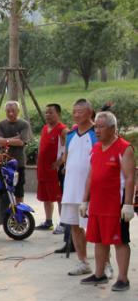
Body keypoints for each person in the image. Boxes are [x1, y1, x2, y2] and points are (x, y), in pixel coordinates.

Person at [79, 111, 134, 291]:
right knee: (98, 239)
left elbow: (131, 177)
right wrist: (84, 201)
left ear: (112, 128)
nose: (97, 130)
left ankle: (123, 279)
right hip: (97, 204)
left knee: (119, 241)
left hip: (115, 205)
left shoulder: (124, 148)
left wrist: (128, 204)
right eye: (96, 126)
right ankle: (100, 273)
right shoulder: (95, 148)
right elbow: (90, 176)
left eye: (101, 127)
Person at [60, 99, 98, 276]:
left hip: (91, 190)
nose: (75, 115)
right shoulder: (70, 135)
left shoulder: (96, 134)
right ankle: (83, 261)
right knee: (75, 226)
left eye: (80, 112)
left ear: (89, 112)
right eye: (74, 111)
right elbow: (67, 159)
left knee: (95, 227)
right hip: (71, 188)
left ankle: (104, 263)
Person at [36, 104, 67, 231]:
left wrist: (60, 162)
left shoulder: (63, 130)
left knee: (59, 197)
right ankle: (48, 222)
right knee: (46, 196)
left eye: (51, 113)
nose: (48, 115)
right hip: (43, 169)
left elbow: (69, 148)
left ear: (58, 114)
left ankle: (64, 223)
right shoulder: (44, 128)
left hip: (55, 171)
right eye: (46, 112)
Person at [0, 101, 31, 204]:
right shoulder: (0, 125)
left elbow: (21, 142)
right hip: (3, 163)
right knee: (3, 190)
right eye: (8, 111)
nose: (11, 113)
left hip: (19, 163)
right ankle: (5, 214)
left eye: (13, 111)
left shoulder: (24, 124)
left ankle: (19, 212)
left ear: (18, 111)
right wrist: (15, 138)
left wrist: (5, 140)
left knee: (19, 190)